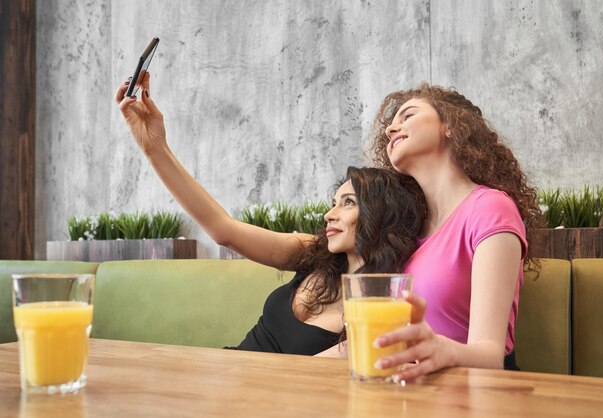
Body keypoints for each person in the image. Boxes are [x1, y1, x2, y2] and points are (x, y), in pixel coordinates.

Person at [114, 72, 425, 357]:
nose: (330, 214)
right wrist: (155, 147)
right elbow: (224, 230)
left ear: (379, 214)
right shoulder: (314, 253)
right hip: (227, 373)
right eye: (333, 202)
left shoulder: (386, 305)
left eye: (347, 203)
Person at [369, 82, 544, 380]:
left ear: (450, 124)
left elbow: (491, 355)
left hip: (475, 396)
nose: (390, 130)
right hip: (414, 392)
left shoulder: (490, 209)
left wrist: (441, 350)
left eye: (407, 115)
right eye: (390, 124)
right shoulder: (407, 231)